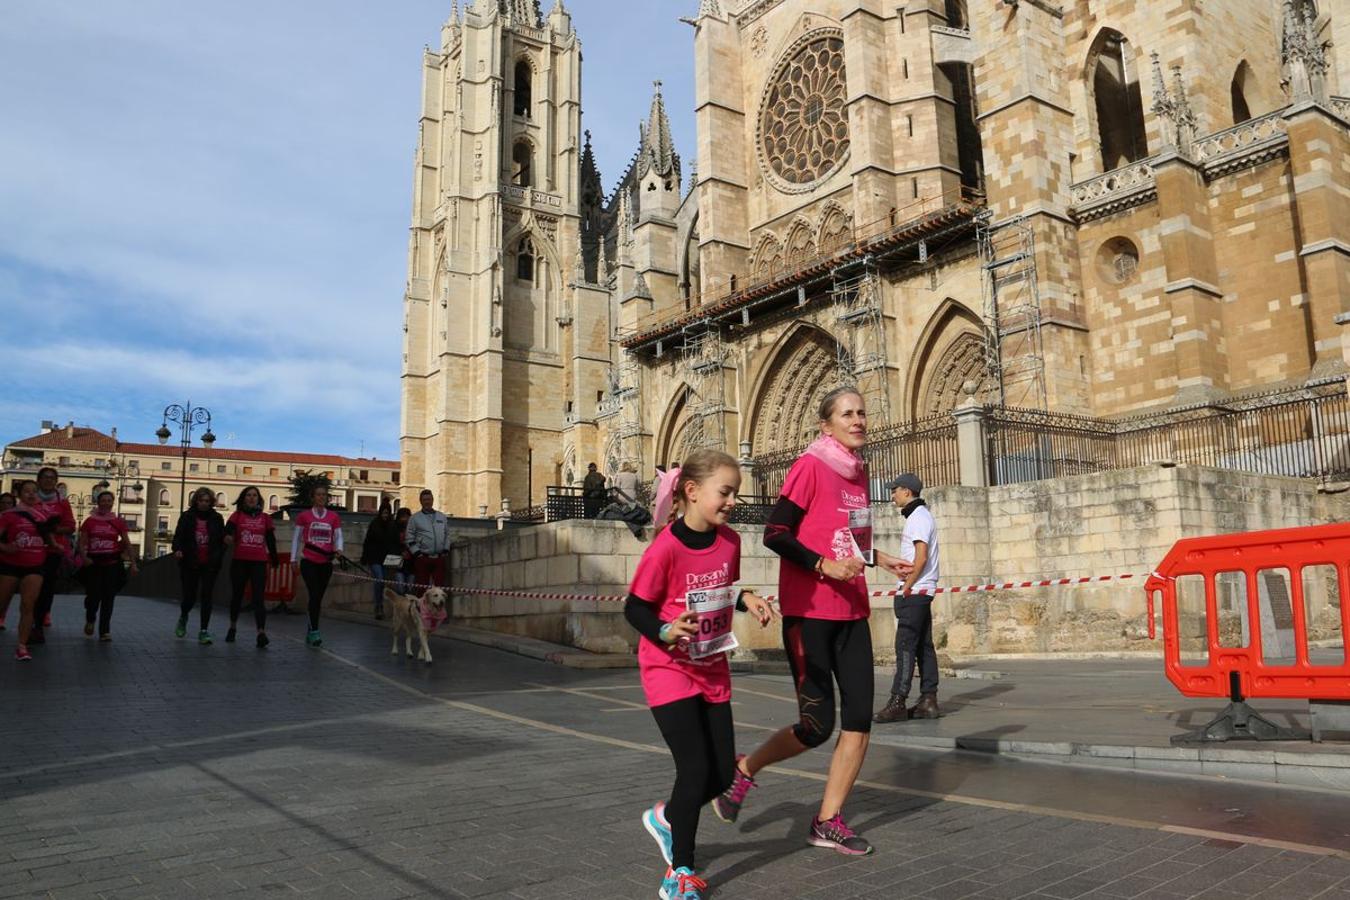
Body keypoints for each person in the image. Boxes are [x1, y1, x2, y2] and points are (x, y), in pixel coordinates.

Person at [712, 386, 907, 856]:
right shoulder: (810, 466)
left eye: (862, 412)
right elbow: (775, 534)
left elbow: (848, 538)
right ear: (826, 425)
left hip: (853, 610)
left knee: (860, 719)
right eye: (847, 414)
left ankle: (827, 821)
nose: (858, 420)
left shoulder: (859, 473)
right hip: (810, 614)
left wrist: (878, 556)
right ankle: (745, 769)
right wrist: (823, 566)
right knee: (817, 727)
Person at [625, 449, 776, 900]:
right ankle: (681, 872)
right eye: (725, 492)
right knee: (693, 770)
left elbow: (718, 592)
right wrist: (666, 631)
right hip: (667, 667)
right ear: (691, 492)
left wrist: (744, 598)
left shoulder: (730, 542)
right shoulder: (665, 547)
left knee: (721, 776)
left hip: (712, 667)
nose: (732, 501)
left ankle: (667, 816)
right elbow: (636, 608)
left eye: (735, 494)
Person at [875, 473, 942, 723]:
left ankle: (898, 701)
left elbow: (921, 557)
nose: (892, 495)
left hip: (915, 591)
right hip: (921, 591)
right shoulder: (920, 516)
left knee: (904, 647)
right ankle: (928, 700)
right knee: (924, 647)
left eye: (895, 490)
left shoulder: (917, 518)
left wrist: (907, 586)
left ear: (907, 491)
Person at [0, 480, 57, 660]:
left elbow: (51, 536)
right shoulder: (9, 515)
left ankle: (22, 646)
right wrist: (5, 547)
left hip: (35, 565)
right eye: (27, 491)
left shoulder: (44, 516)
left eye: (35, 491)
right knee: (1, 604)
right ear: (19, 494)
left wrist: (56, 546)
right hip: (10, 565)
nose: (31, 494)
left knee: (27, 605)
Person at [77, 490, 138, 641]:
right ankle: (90, 619)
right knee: (93, 597)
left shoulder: (118, 522)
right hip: (94, 564)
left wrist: (133, 563)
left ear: (112, 503)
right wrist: (84, 557)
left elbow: (127, 542)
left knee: (108, 598)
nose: (106, 503)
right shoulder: (89, 522)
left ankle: (104, 631)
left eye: (109, 500)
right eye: (103, 500)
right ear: (98, 503)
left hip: (112, 564)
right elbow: (82, 542)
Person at [224, 486, 279, 648]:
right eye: (248, 495)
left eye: (255, 495)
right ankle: (232, 627)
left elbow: (270, 539)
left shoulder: (265, 518)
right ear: (243, 498)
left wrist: (274, 558)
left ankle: (261, 633)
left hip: (259, 562)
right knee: (237, 596)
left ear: (259, 499)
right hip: (240, 561)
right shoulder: (237, 515)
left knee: (258, 598)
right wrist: (227, 536)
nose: (252, 498)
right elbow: (228, 531)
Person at [291, 484, 343, 647]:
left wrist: (339, 549)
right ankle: (315, 632)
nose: (321, 497)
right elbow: (296, 538)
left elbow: (338, 536)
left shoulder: (333, 517)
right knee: (314, 594)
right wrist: (293, 559)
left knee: (318, 598)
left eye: (324, 495)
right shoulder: (304, 516)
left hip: (325, 563)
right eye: (318, 495)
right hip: (308, 561)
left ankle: (311, 627)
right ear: (312, 497)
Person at [173, 487, 226, 644]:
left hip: (210, 564)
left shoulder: (217, 518)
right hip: (190, 562)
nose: (204, 504)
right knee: (189, 597)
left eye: (207, 501)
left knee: (207, 597)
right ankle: (183, 617)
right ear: (196, 501)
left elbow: (221, 540)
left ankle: (204, 631)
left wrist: (218, 555)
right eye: (201, 500)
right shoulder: (187, 517)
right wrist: (177, 550)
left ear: (211, 503)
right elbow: (178, 537)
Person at [29, 467, 75, 643]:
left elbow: (70, 526)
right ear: (38, 480)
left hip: (54, 550)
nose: (48, 480)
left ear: (56, 482)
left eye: (52, 478)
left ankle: (38, 624)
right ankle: (31, 618)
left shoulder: (62, 502)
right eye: (45, 477)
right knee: (32, 587)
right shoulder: (31, 499)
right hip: (32, 548)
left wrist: (53, 529)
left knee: (47, 587)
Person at [360, 500, 401, 618]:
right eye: (383, 513)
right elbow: (367, 541)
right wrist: (364, 557)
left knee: (383, 582)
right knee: (380, 579)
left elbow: (395, 543)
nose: (385, 516)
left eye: (387, 513)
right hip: (375, 558)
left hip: (387, 559)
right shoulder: (374, 524)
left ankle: (380, 605)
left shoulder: (392, 526)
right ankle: (378, 606)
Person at [405, 490, 450, 589]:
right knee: (422, 588)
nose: (427, 502)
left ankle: (438, 605)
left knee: (439, 590)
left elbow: (447, 534)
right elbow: (409, 537)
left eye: (429, 499)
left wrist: (446, 549)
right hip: (422, 558)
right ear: (420, 501)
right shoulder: (414, 518)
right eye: (424, 500)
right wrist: (417, 553)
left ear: (433, 500)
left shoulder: (441, 517)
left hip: (439, 558)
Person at [0, 492, 14, 630]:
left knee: (5, 592)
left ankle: (1, 617)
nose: (5, 506)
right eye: (3, 503)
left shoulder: (16, 519)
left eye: (9, 503)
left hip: (8, 558)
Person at [394, 507, 414, 592]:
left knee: (410, 590)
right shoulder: (394, 529)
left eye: (407, 516)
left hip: (411, 564)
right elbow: (392, 544)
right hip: (399, 564)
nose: (405, 519)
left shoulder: (413, 529)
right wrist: (400, 551)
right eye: (403, 516)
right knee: (400, 589)